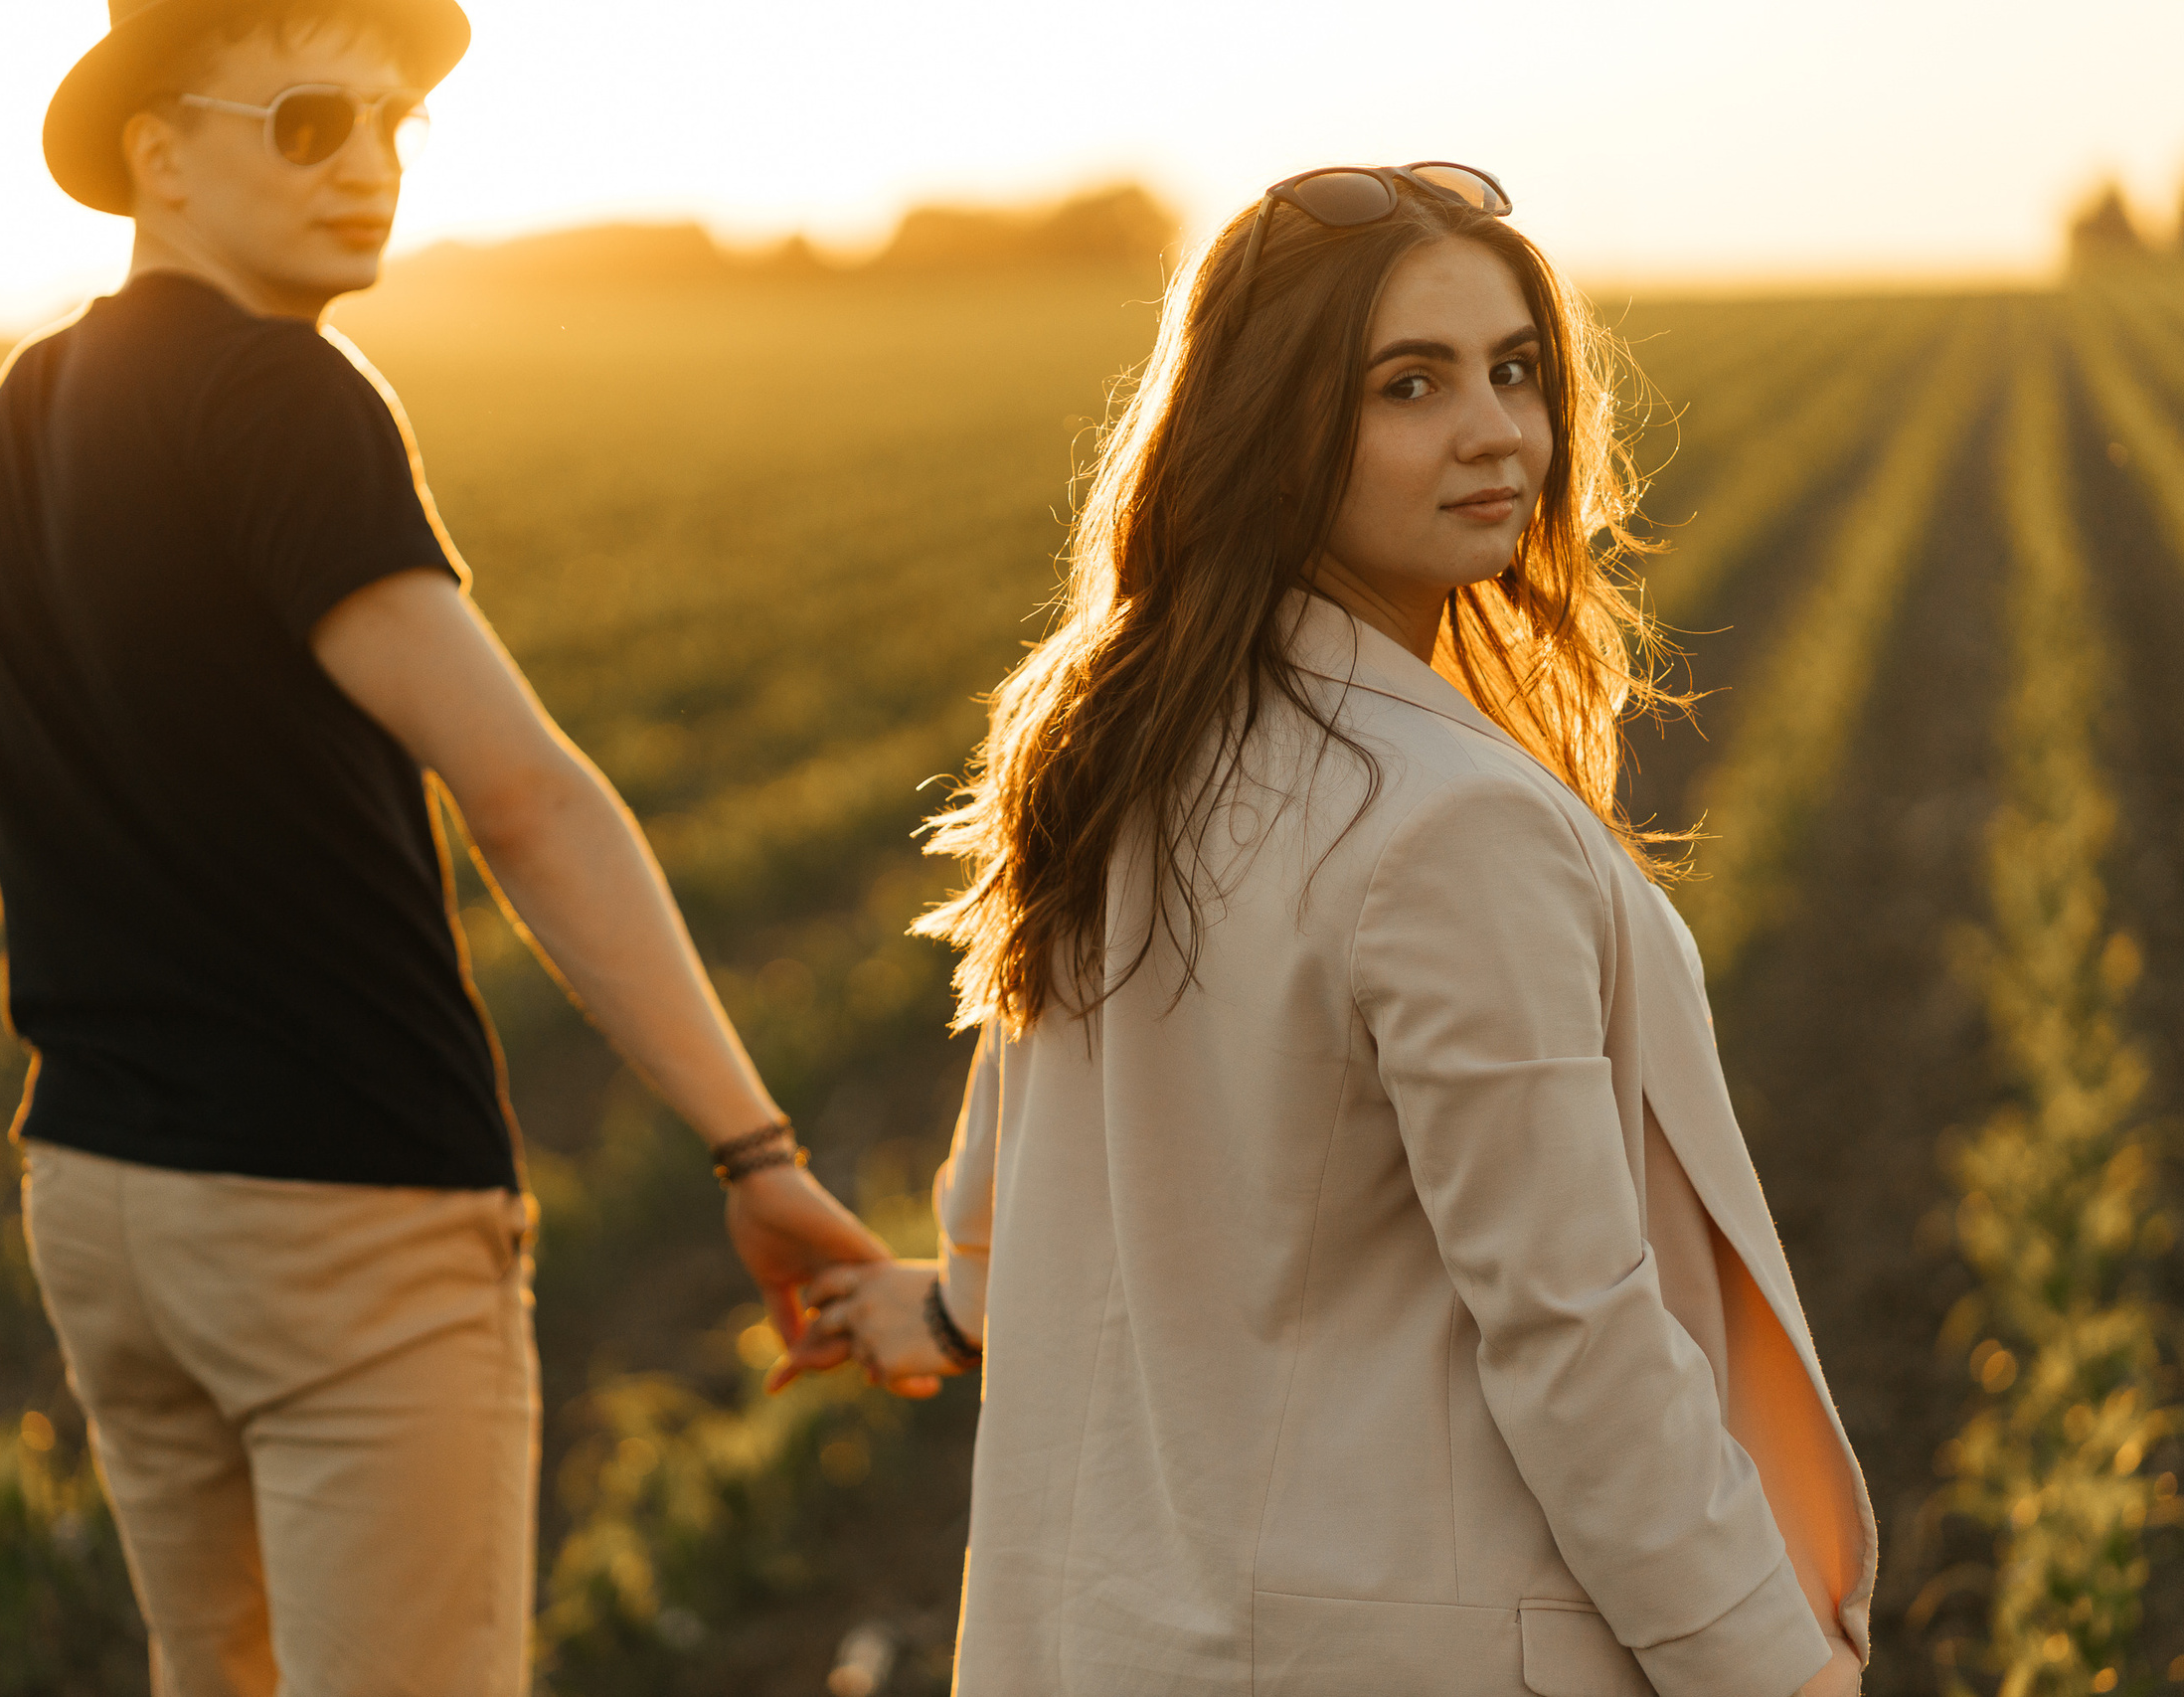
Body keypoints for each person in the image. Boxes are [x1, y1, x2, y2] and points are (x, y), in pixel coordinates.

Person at [791, 165, 1875, 1696]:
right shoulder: (1453, 827)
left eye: (1513, 370)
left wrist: (942, 1313)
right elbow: (1573, 1328)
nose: (1494, 428)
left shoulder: (1109, 745)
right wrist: (1768, 1669)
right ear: (1274, 427)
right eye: (1409, 385)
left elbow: (1016, 1166)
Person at [0, 3, 885, 1691]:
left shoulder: (20, 409)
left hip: (100, 1196)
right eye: (310, 121)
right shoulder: (284, 398)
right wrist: (755, 1151)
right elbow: (525, 793)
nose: (368, 165)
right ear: (159, 150)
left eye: (393, 127)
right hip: (338, 1205)